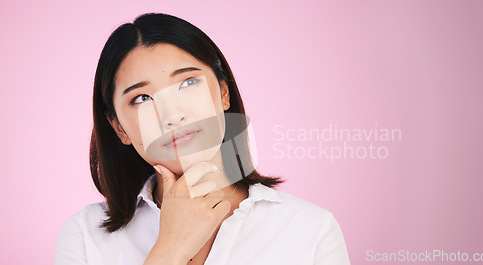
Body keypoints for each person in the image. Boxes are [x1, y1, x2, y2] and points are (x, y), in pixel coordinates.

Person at [54, 13, 350, 265]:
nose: (171, 115)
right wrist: (169, 249)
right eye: (142, 98)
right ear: (119, 128)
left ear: (223, 92)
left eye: (188, 82)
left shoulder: (310, 230)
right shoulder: (85, 236)